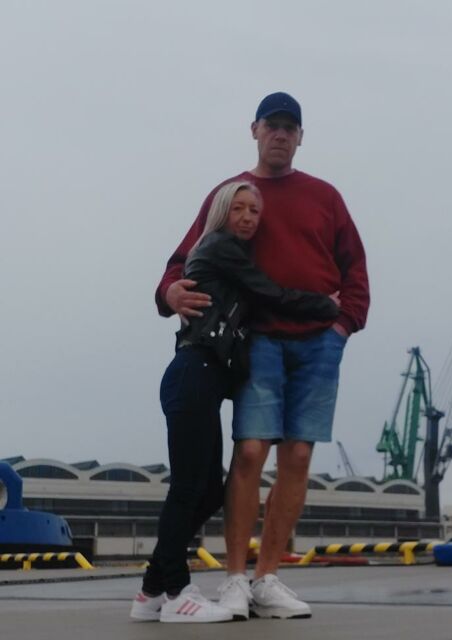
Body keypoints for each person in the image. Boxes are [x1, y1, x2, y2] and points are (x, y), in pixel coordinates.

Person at [155, 92, 370, 620]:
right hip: (260, 341)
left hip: (319, 342)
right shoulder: (231, 195)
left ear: (301, 137)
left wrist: (343, 325)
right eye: (271, 125)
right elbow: (183, 258)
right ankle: (234, 579)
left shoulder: (326, 196)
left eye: (289, 128)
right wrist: (168, 293)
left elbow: (355, 268)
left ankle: (267, 578)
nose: (280, 134)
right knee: (250, 452)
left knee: (296, 458)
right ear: (254, 130)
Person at [130, 180, 340, 623]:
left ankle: (149, 592)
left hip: (206, 381)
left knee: (209, 491)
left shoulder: (232, 255)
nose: (247, 218)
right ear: (222, 211)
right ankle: (176, 593)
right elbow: (270, 292)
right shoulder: (219, 247)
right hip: (193, 373)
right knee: (188, 488)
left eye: (254, 211)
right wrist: (326, 306)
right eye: (238, 208)